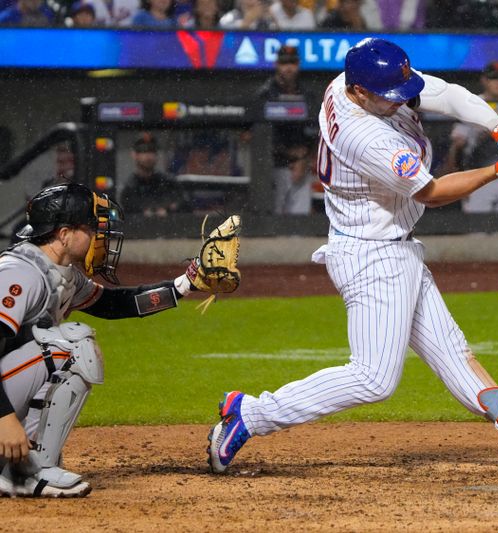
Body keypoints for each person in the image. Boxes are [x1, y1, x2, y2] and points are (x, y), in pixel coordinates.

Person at [207, 37, 498, 475]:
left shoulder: (354, 81)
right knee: (373, 378)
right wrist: (497, 170)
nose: (402, 102)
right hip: (371, 255)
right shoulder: (363, 135)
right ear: (360, 93)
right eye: (391, 98)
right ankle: (250, 414)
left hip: (393, 246)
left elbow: (443, 92)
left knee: (454, 355)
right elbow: (432, 192)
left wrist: (496, 124)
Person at [0, 183, 223, 497]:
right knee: (74, 345)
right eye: (91, 229)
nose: (99, 237)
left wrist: (185, 284)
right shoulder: (20, 273)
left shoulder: (60, 273)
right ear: (64, 234)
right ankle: (30, 473)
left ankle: (16, 467)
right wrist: (4, 419)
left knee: (66, 346)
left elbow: (115, 304)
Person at [441, 61, 498, 214]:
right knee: (477, 234)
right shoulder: (471, 104)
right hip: (478, 177)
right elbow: (457, 143)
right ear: (484, 80)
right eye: (493, 78)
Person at [120, 134, 189, 217]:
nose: (148, 156)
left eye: (152, 151)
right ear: (134, 155)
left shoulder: (169, 183)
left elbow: (183, 205)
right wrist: (144, 213)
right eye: (143, 151)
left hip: (169, 228)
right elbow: (128, 213)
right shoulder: (129, 189)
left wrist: (168, 211)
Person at [273, 143, 313, 214]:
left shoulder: (317, 180)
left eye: (294, 159)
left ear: (307, 160)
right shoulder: (281, 177)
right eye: (286, 160)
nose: (290, 165)